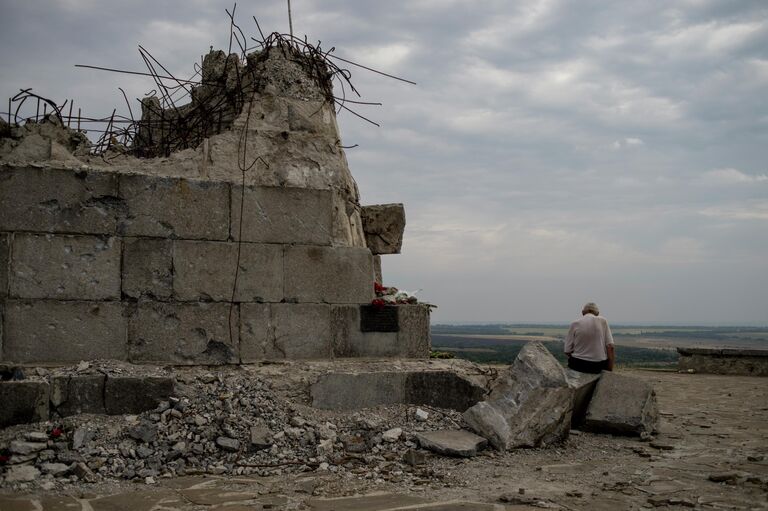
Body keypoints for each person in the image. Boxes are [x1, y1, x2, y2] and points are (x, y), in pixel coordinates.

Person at [564, 302, 614, 374]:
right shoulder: (603, 321)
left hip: (577, 365)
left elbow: (567, 351)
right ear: (597, 313)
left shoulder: (575, 323)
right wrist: (609, 370)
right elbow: (610, 347)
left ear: (582, 312)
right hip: (597, 366)